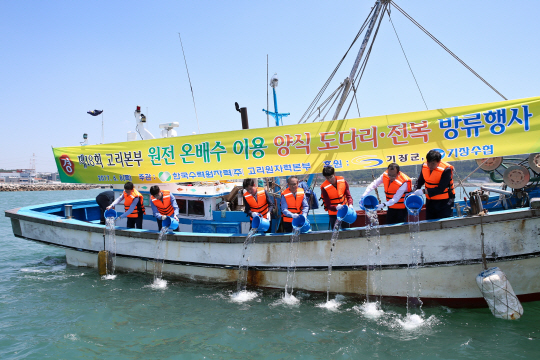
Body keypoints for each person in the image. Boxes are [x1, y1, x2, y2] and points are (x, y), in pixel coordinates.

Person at [412, 149, 455, 220]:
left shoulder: (446, 170)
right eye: (428, 163)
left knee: (444, 221)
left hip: (444, 201)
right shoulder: (424, 166)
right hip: (430, 200)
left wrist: (423, 191)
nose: (430, 166)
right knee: (430, 220)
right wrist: (413, 192)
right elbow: (420, 181)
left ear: (439, 162)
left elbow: (441, 189)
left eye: (433, 163)